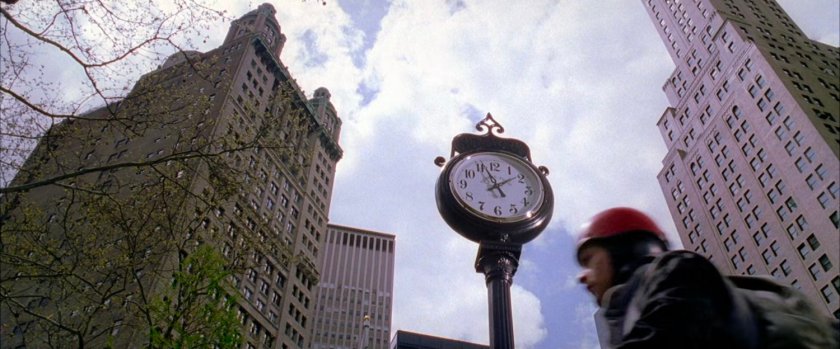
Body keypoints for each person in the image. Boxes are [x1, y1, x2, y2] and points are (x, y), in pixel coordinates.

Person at [574, 207, 834, 349]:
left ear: (621, 248)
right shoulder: (633, 309)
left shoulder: (677, 273)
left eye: (589, 259)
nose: (583, 278)